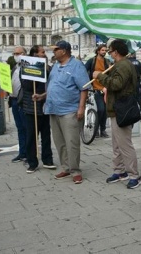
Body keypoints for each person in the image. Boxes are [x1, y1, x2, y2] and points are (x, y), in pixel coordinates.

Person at [33, 41, 88, 183]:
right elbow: (53, 86)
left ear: (64, 51)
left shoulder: (76, 66)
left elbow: (84, 88)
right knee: (59, 142)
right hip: (53, 109)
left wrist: (81, 107)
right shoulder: (56, 66)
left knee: (72, 142)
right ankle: (66, 168)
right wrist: (42, 96)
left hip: (69, 110)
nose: (54, 52)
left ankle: (75, 170)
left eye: (56, 49)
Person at [93, 39, 141, 189]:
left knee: (124, 144)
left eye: (110, 51)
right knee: (117, 143)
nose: (109, 54)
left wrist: (100, 76)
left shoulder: (123, 65)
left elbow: (116, 84)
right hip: (117, 109)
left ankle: (134, 175)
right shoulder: (120, 65)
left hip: (122, 109)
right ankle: (120, 171)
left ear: (115, 52)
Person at [23, 45, 56, 173]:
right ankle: (32, 161)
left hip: (45, 106)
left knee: (46, 135)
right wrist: (34, 77)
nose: (45, 54)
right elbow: (26, 86)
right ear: (35, 55)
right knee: (31, 136)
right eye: (42, 52)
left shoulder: (48, 67)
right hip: (31, 107)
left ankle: (47, 159)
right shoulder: (26, 67)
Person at [85, 44, 110, 138]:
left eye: (105, 50)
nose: (104, 52)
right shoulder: (92, 61)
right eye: (102, 50)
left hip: (106, 89)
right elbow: (84, 70)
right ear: (98, 51)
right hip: (96, 88)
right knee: (100, 109)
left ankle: (102, 129)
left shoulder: (107, 62)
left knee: (106, 111)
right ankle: (96, 129)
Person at [9, 46, 28, 163]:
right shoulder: (15, 68)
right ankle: (22, 153)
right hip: (14, 100)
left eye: (18, 53)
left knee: (27, 128)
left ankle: (29, 153)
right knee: (20, 128)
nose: (16, 56)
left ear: (24, 54)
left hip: (24, 101)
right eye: (14, 54)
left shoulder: (27, 67)